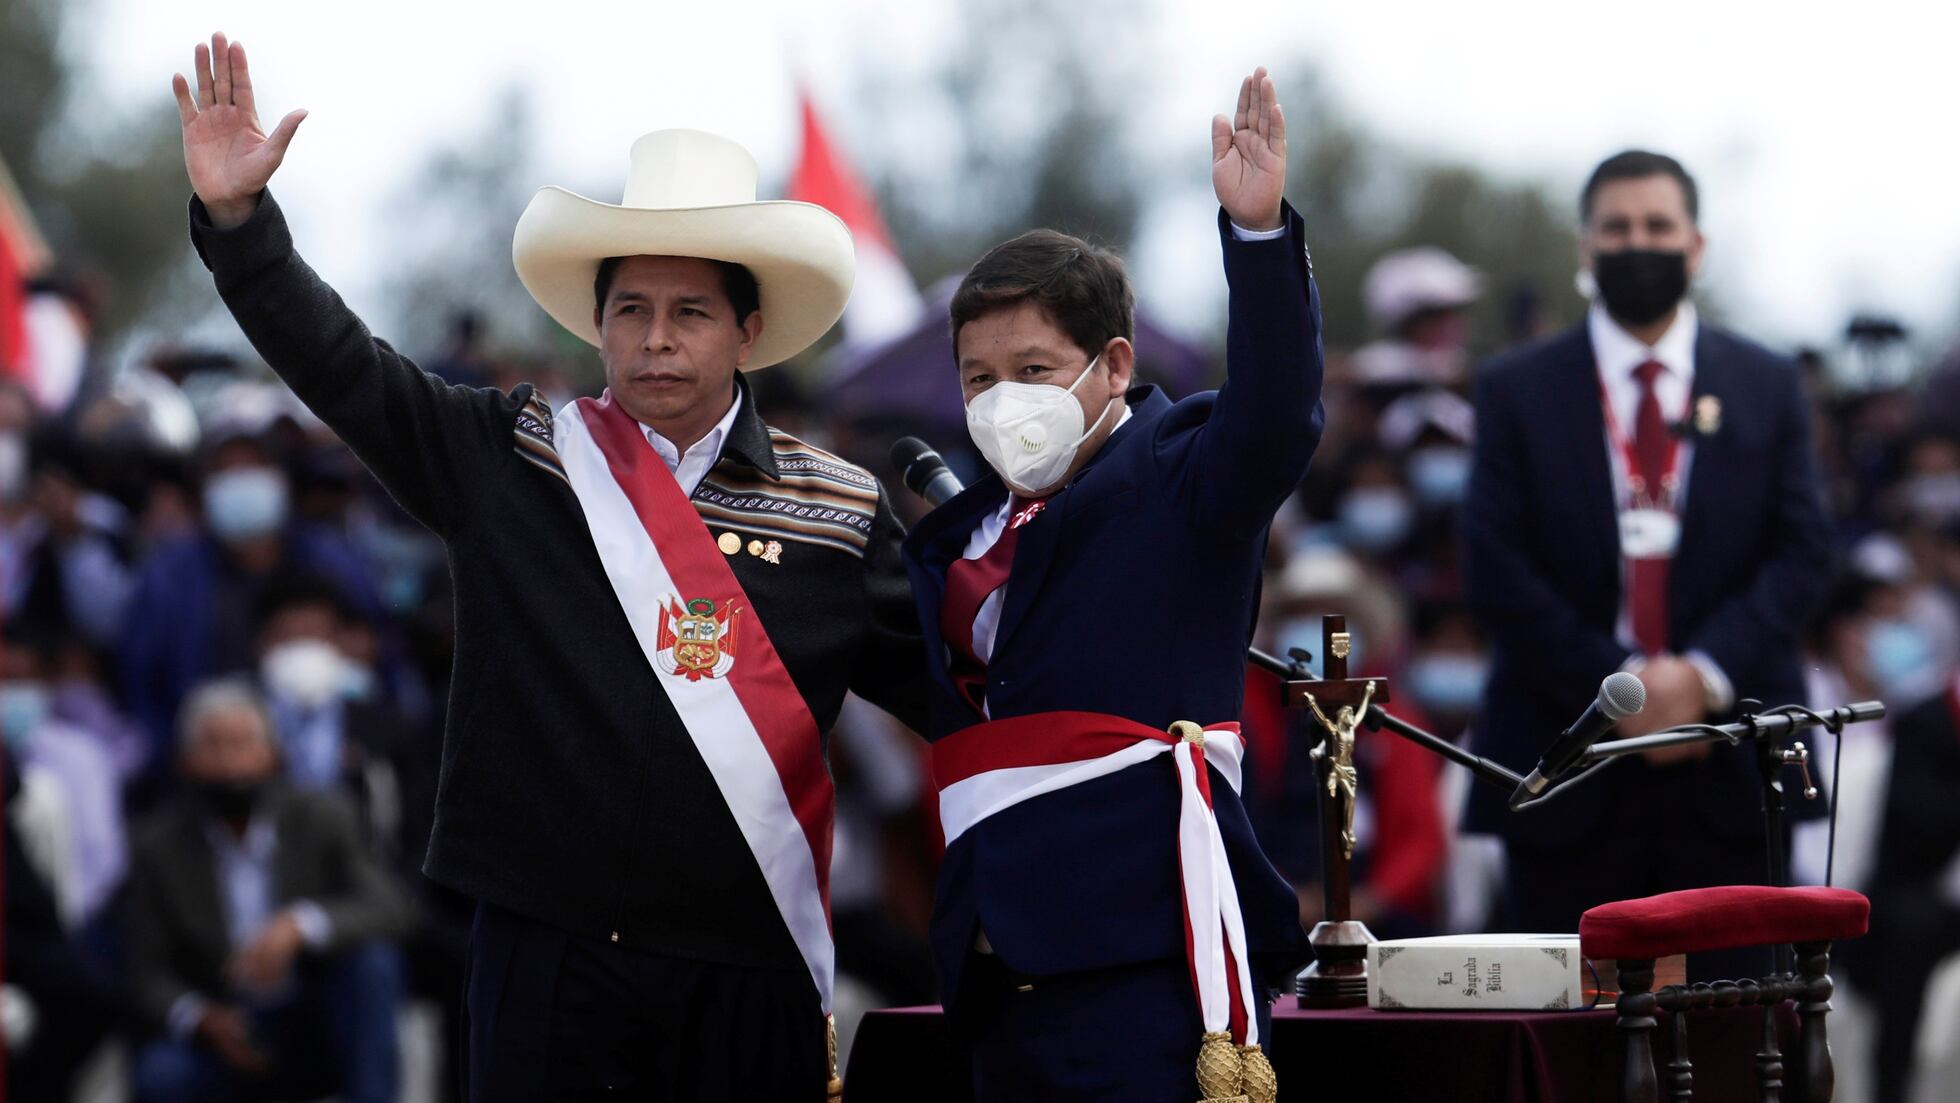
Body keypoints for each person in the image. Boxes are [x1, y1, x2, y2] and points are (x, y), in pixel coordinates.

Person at [171, 32, 925, 1100]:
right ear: (599, 324)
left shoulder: (838, 508)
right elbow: (344, 368)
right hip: (547, 957)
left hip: (748, 968)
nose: (656, 338)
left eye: (690, 312)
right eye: (631, 310)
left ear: (748, 331)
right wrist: (243, 226)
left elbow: (964, 689)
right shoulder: (512, 457)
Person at [901, 68, 1317, 1101]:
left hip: (1145, 954)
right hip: (1000, 961)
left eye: (1035, 370)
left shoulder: (1182, 476)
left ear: (1113, 363)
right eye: (979, 377)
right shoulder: (957, 536)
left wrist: (1258, 237)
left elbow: (1275, 416)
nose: (1003, 400)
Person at [1459, 150, 1834, 975]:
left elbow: (1802, 551)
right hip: (1568, 771)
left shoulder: (1767, 383)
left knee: (1742, 1049)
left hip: (1734, 770)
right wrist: (1618, 693)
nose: (1639, 244)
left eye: (1658, 226)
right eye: (1617, 228)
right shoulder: (1515, 387)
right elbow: (1493, 563)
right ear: (1585, 248)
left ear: (1696, 245)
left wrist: (1699, 679)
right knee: (1571, 1058)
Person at [127, 679, 412, 1103]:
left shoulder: (322, 816)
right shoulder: (158, 845)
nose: (229, 764)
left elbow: (392, 907)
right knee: (161, 1075)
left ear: (273, 754)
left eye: (242, 744)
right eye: (213, 746)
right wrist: (200, 1017)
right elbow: (143, 968)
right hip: (224, 1017)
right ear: (185, 760)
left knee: (374, 964)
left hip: (311, 1013)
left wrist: (301, 923)